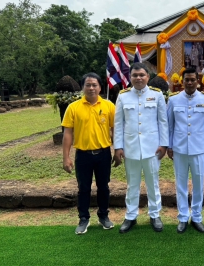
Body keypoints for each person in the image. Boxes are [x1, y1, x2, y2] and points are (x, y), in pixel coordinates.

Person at [114, 63, 168, 233]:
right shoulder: (123, 96)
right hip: (130, 149)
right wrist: (118, 147)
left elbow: (162, 121)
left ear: (148, 77)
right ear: (130, 78)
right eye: (135, 75)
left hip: (152, 148)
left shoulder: (157, 95)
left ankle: (155, 214)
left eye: (141, 75)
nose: (138, 78)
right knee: (132, 184)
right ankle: (131, 216)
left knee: (153, 183)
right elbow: (118, 124)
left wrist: (164, 144)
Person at [62, 72, 116, 235]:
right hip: (83, 155)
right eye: (88, 85)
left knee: (104, 187)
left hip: (103, 154)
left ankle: (103, 216)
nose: (91, 88)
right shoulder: (73, 107)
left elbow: (115, 131)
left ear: (100, 87)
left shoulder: (108, 106)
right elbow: (68, 133)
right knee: (83, 188)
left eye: (94, 85)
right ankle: (84, 218)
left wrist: (119, 150)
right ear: (83, 87)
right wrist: (66, 157)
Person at [167, 68, 204, 233]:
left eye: (192, 79)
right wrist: (169, 146)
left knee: (198, 184)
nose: (189, 82)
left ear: (198, 81)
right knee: (180, 184)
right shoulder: (173, 100)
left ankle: (196, 217)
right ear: (182, 81)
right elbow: (170, 126)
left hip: (199, 149)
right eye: (186, 79)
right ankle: (182, 217)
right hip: (179, 148)